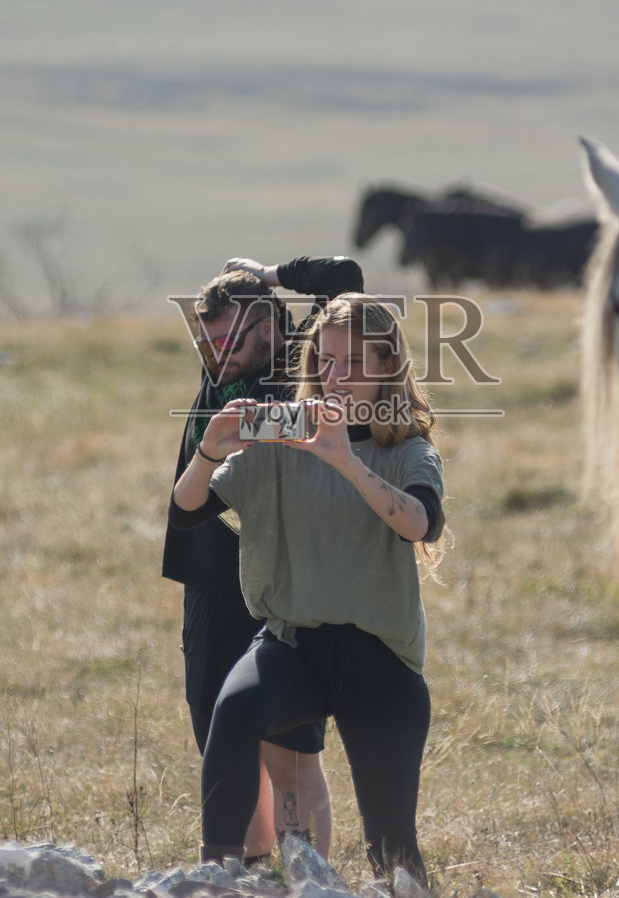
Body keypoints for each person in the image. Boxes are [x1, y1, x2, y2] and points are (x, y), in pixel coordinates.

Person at [170, 293, 447, 884]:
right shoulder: (279, 444)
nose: (336, 376)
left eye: (353, 362)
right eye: (325, 361)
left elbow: (419, 523)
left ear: (386, 369)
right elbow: (188, 510)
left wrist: (347, 461)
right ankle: (216, 876)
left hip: (380, 657)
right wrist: (208, 451)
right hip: (292, 643)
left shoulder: (408, 451)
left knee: (393, 852)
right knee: (235, 711)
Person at [164, 257, 362, 862]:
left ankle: (308, 877)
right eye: (208, 339)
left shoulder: (301, 363)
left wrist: (266, 275)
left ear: (269, 325)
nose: (216, 352)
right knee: (218, 736)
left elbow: (345, 277)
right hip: (209, 583)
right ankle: (251, 872)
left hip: (281, 590)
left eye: (228, 338)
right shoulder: (218, 369)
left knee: (289, 748)